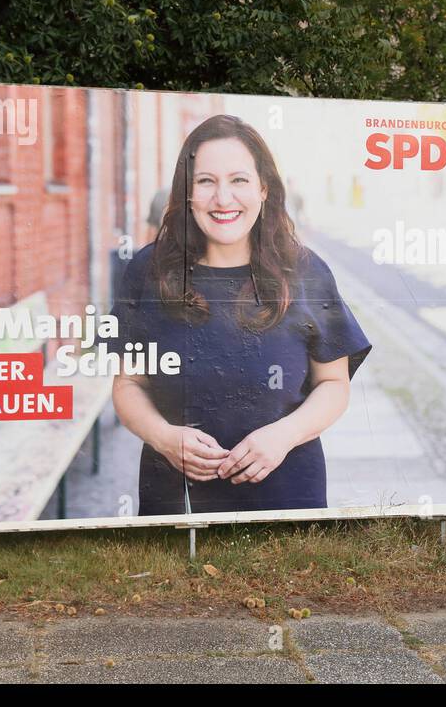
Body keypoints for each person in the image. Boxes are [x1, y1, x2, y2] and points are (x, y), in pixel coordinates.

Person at [110, 115, 371, 515]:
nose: (223, 198)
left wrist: (283, 436)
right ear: (186, 193)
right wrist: (162, 436)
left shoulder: (305, 271)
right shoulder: (149, 271)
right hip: (175, 501)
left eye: (239, 180)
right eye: (206, 181)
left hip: (287, 494)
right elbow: (128, 385)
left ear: (264, 189)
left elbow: (334, 385)